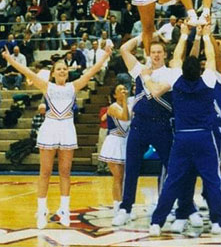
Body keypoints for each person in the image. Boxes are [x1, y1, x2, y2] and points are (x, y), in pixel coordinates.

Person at [2, 43, 111, 229]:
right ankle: (42, 209)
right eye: (58, 69)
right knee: (45, 172)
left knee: (65, 172)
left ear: (68, 72)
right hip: (50, 128)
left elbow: (92, 71)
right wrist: (10, 59)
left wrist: (104, 56)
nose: (62, 71)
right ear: (53, 73)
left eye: (64, 69)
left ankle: (64, 210)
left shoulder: (74, 86)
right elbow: (27, 72)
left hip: (67, 129)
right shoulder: (46, 86)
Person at [145, 24, 221, 238]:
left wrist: (185, 34)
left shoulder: (176, 80)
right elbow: (212, 59)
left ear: (183, 70)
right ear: (200, 71)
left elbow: (176, 57)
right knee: (213, 181)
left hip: (183, 137)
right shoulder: (208, 80)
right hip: (204, 136)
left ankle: (156, 223)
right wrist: (205, 36)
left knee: (172, 181)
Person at [114, 32, 197, 226]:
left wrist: (146, 77)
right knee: (132, 167)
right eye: (153, 52)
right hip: (139, 124)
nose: (156, 55)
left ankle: (186, 207)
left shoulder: (172, 72)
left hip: (161, 125)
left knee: (174, 168)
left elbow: (157, 90)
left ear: (165, 54)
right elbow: (124, 49)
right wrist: (143, 35)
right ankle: (126, 208)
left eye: (160, 52)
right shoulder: (140, 69)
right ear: (149, 53)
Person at [98, 84, 133, 214]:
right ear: (114, 95)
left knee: (125, 177)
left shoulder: (129, 106)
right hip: (114, 142)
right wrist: (125, 102)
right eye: (120, 90)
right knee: (117, 177)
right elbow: (125, 117)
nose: (123, 91)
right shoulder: (112, 107)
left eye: (125, 89)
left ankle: (126, 204)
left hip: (126, 142)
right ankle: (117, 205)